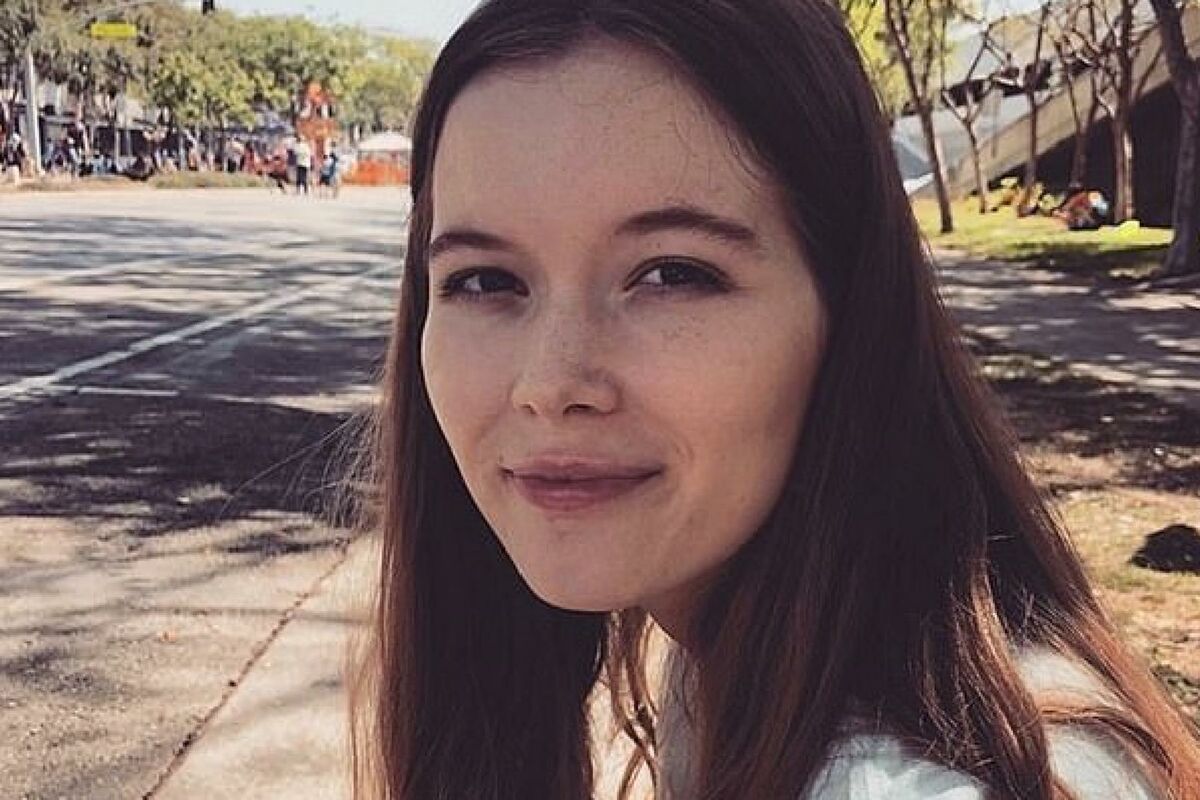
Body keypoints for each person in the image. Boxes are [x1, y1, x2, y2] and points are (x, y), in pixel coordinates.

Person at [347, 1, 1200, 799]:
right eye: (485, 280)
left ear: (850, 312)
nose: (550, 384)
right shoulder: (735, 645)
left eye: (673, 273)